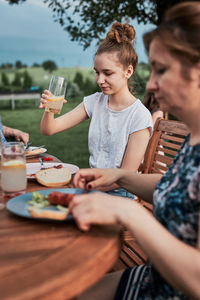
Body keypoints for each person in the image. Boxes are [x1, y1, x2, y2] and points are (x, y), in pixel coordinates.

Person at [69, 2, 200, 299]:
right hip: (154, 277)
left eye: (161, 70)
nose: (150, 85)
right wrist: (117, 176)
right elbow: (175, 188)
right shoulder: (195, 138)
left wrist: (127, 211)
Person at [40, 22, 153, 198]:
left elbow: (125, 178)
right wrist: (50, 108)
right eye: (97, 72)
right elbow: (49, 129)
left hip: (120, 195)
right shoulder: (95, 102)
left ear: (128, 71)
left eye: (107, 73)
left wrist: (84, 186)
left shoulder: (139, 116)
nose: (100, 80)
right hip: (91, 189)